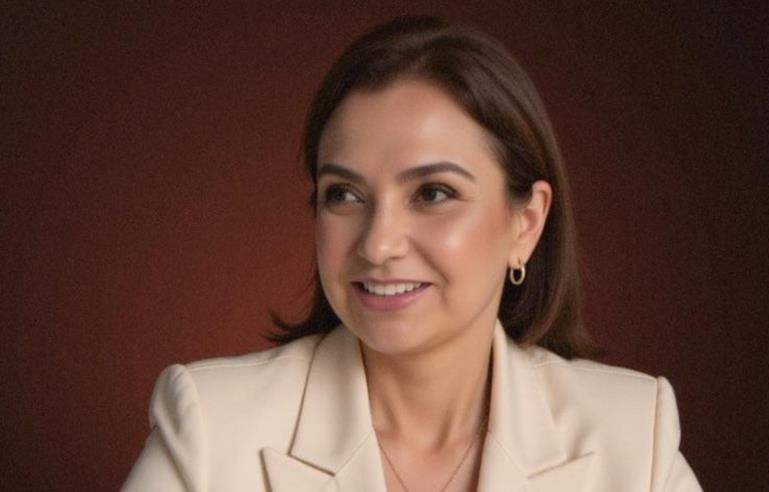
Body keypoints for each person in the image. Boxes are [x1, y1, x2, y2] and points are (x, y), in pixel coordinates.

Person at [123, 16, 702, 492]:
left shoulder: (632, 437)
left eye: (433, 194)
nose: (378, 244)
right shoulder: (211, 429)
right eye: (344, 195)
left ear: (525, 223)